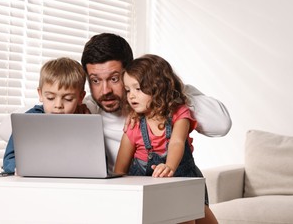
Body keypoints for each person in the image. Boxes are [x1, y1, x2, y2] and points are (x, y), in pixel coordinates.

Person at [81, 33, 232, 173]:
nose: (105, 90)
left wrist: (168, 94)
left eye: (114, 79)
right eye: (95, 80)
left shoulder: (176, 99)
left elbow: (221, 125)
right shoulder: (88, 110)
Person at [113, 54, 217, 224]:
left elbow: (177, 142)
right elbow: (120, 168)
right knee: (183, 216)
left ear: (158, 87)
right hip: (149, 192)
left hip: (183, 181)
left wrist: (169, 166)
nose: (131, 96)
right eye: (128, 90)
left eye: (138, 89)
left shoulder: (179, 113)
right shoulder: (134, 125)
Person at [2, 57, 87, 173]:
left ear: (80, 98)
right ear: (40, 94)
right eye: (50, 98)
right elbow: (9, 160)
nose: (58, 105)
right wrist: (21, 168)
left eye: (68, 99)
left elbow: (100, 162)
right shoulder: (28, 120)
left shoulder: (86, 123)